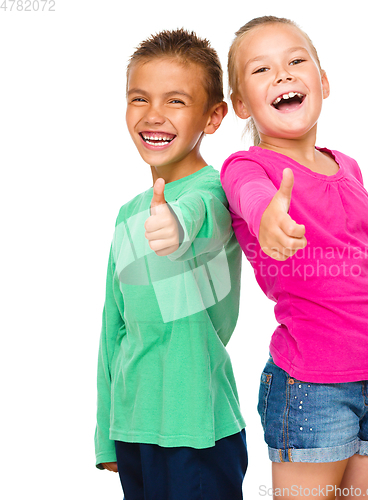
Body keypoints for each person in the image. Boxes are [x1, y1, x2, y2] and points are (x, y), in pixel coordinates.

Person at [220, 16, 368, 499]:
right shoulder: (250, 167)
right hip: (312, 387)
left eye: (294, 61)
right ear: (242, 104)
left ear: (323, 81)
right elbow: (250, 196)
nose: (283, 75)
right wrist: (269, 216)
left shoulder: (348, 166)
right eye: (262, 69)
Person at [94, 29, 247, 500]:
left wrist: (176, 225)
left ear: (213, 116)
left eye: (175, 101)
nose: (153, 115)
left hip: (198, 429)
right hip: (134, 428)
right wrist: (107, 431)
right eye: (139, 98)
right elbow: (113, 329)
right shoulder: (127, 214)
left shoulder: (219, 192)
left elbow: (198, 217)